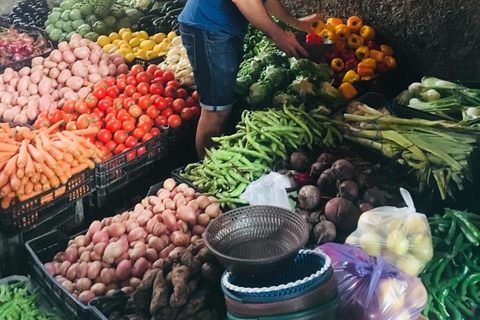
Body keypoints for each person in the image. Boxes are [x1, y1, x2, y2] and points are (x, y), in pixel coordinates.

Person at [178, 0, 320, 159]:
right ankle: (206, 175)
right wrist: (279, 35)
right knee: (216, 112)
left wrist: (296, 24)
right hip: (208, 27)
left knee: (221, 108)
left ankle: (215, 165)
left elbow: (267, 1)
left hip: (222, 29)